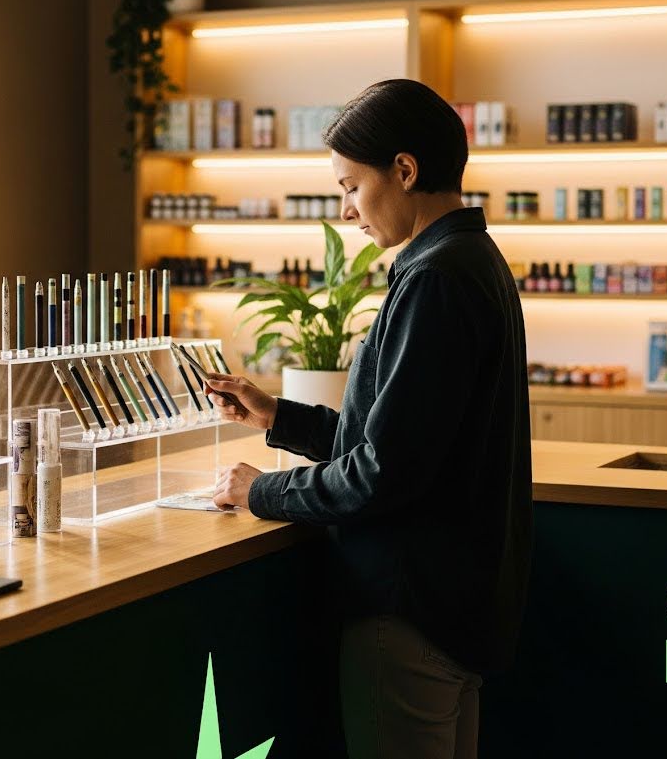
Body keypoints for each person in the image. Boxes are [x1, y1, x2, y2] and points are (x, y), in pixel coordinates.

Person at [208, 78, 532, 759]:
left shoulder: (435, 279)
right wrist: (278, 416)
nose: (346, 209)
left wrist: (260, 490)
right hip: (457, 608)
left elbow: (383, 473)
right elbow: (401, 438)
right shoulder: (472, 260)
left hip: (410, 614)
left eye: (352, 186)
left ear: (405, 170)